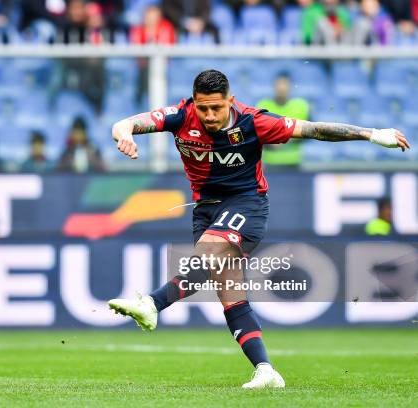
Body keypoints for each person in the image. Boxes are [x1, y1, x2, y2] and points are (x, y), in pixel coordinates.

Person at [107, 69, 409, 388]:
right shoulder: (180, 116)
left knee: (208, 255)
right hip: (205, 210)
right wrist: (124, 135)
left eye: (216, 108)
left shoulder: (253, 121)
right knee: (231, 296)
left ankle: (152, 303)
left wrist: (371, 134)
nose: (209, 115)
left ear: (230, 101)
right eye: (203, 108)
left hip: (246, 204)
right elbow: (124, 123)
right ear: (193, 103)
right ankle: (266, 370)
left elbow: (315, 130)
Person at [257, 73, 310, 166]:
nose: (282, 88)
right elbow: (256, 134)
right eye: (279, 84)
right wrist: (271, 144)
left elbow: (309, 133)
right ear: (274, 86)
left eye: (285, 84)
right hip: (270, 163)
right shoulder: (263, 106)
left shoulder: (301, 106)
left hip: (293, 161)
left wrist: (285, 140)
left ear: (290, 86)